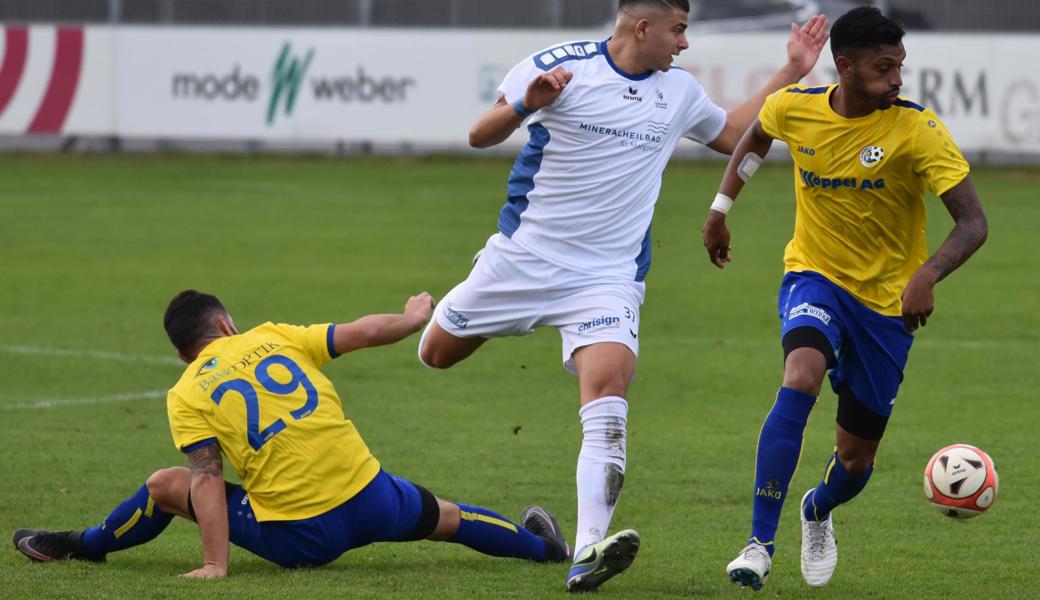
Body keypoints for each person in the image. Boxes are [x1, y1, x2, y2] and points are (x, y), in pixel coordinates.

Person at [417, 0, 829, 592]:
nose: (684, 44)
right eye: (679, 30)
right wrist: (527, 103)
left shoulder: (677, 91)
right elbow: (480, 135)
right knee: (436, 353)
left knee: (609, 392)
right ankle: (499, 315)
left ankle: (587, 549)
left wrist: (792, 68)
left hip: (606, 276)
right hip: (523, 259)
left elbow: (737, 134)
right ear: (643, 27)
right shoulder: (561, 67)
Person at [702, 6, 988, 591]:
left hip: (887, 307)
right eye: (884, 68)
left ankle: (818, 508)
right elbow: (755, 139)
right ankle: (758, 543)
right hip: (815, 276)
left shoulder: (916, 129)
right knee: (801, 375)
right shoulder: (795, 107)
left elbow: (973, 222)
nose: (897, 80)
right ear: (846, 67)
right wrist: (720, 210)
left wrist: (928, 273)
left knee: (855, 462)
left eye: (900, 67)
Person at [13, 290, 570, 578]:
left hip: (302, 536)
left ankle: (81, 546)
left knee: (165, 484)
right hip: (372, 496)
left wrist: (215, 564)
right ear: (227, 324)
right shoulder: (274, 336)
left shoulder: (187, 391)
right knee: (447, 517)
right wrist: (411, 317)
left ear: (184, 353)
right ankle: (547, 551)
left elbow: (206, 481)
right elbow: (360, 332)